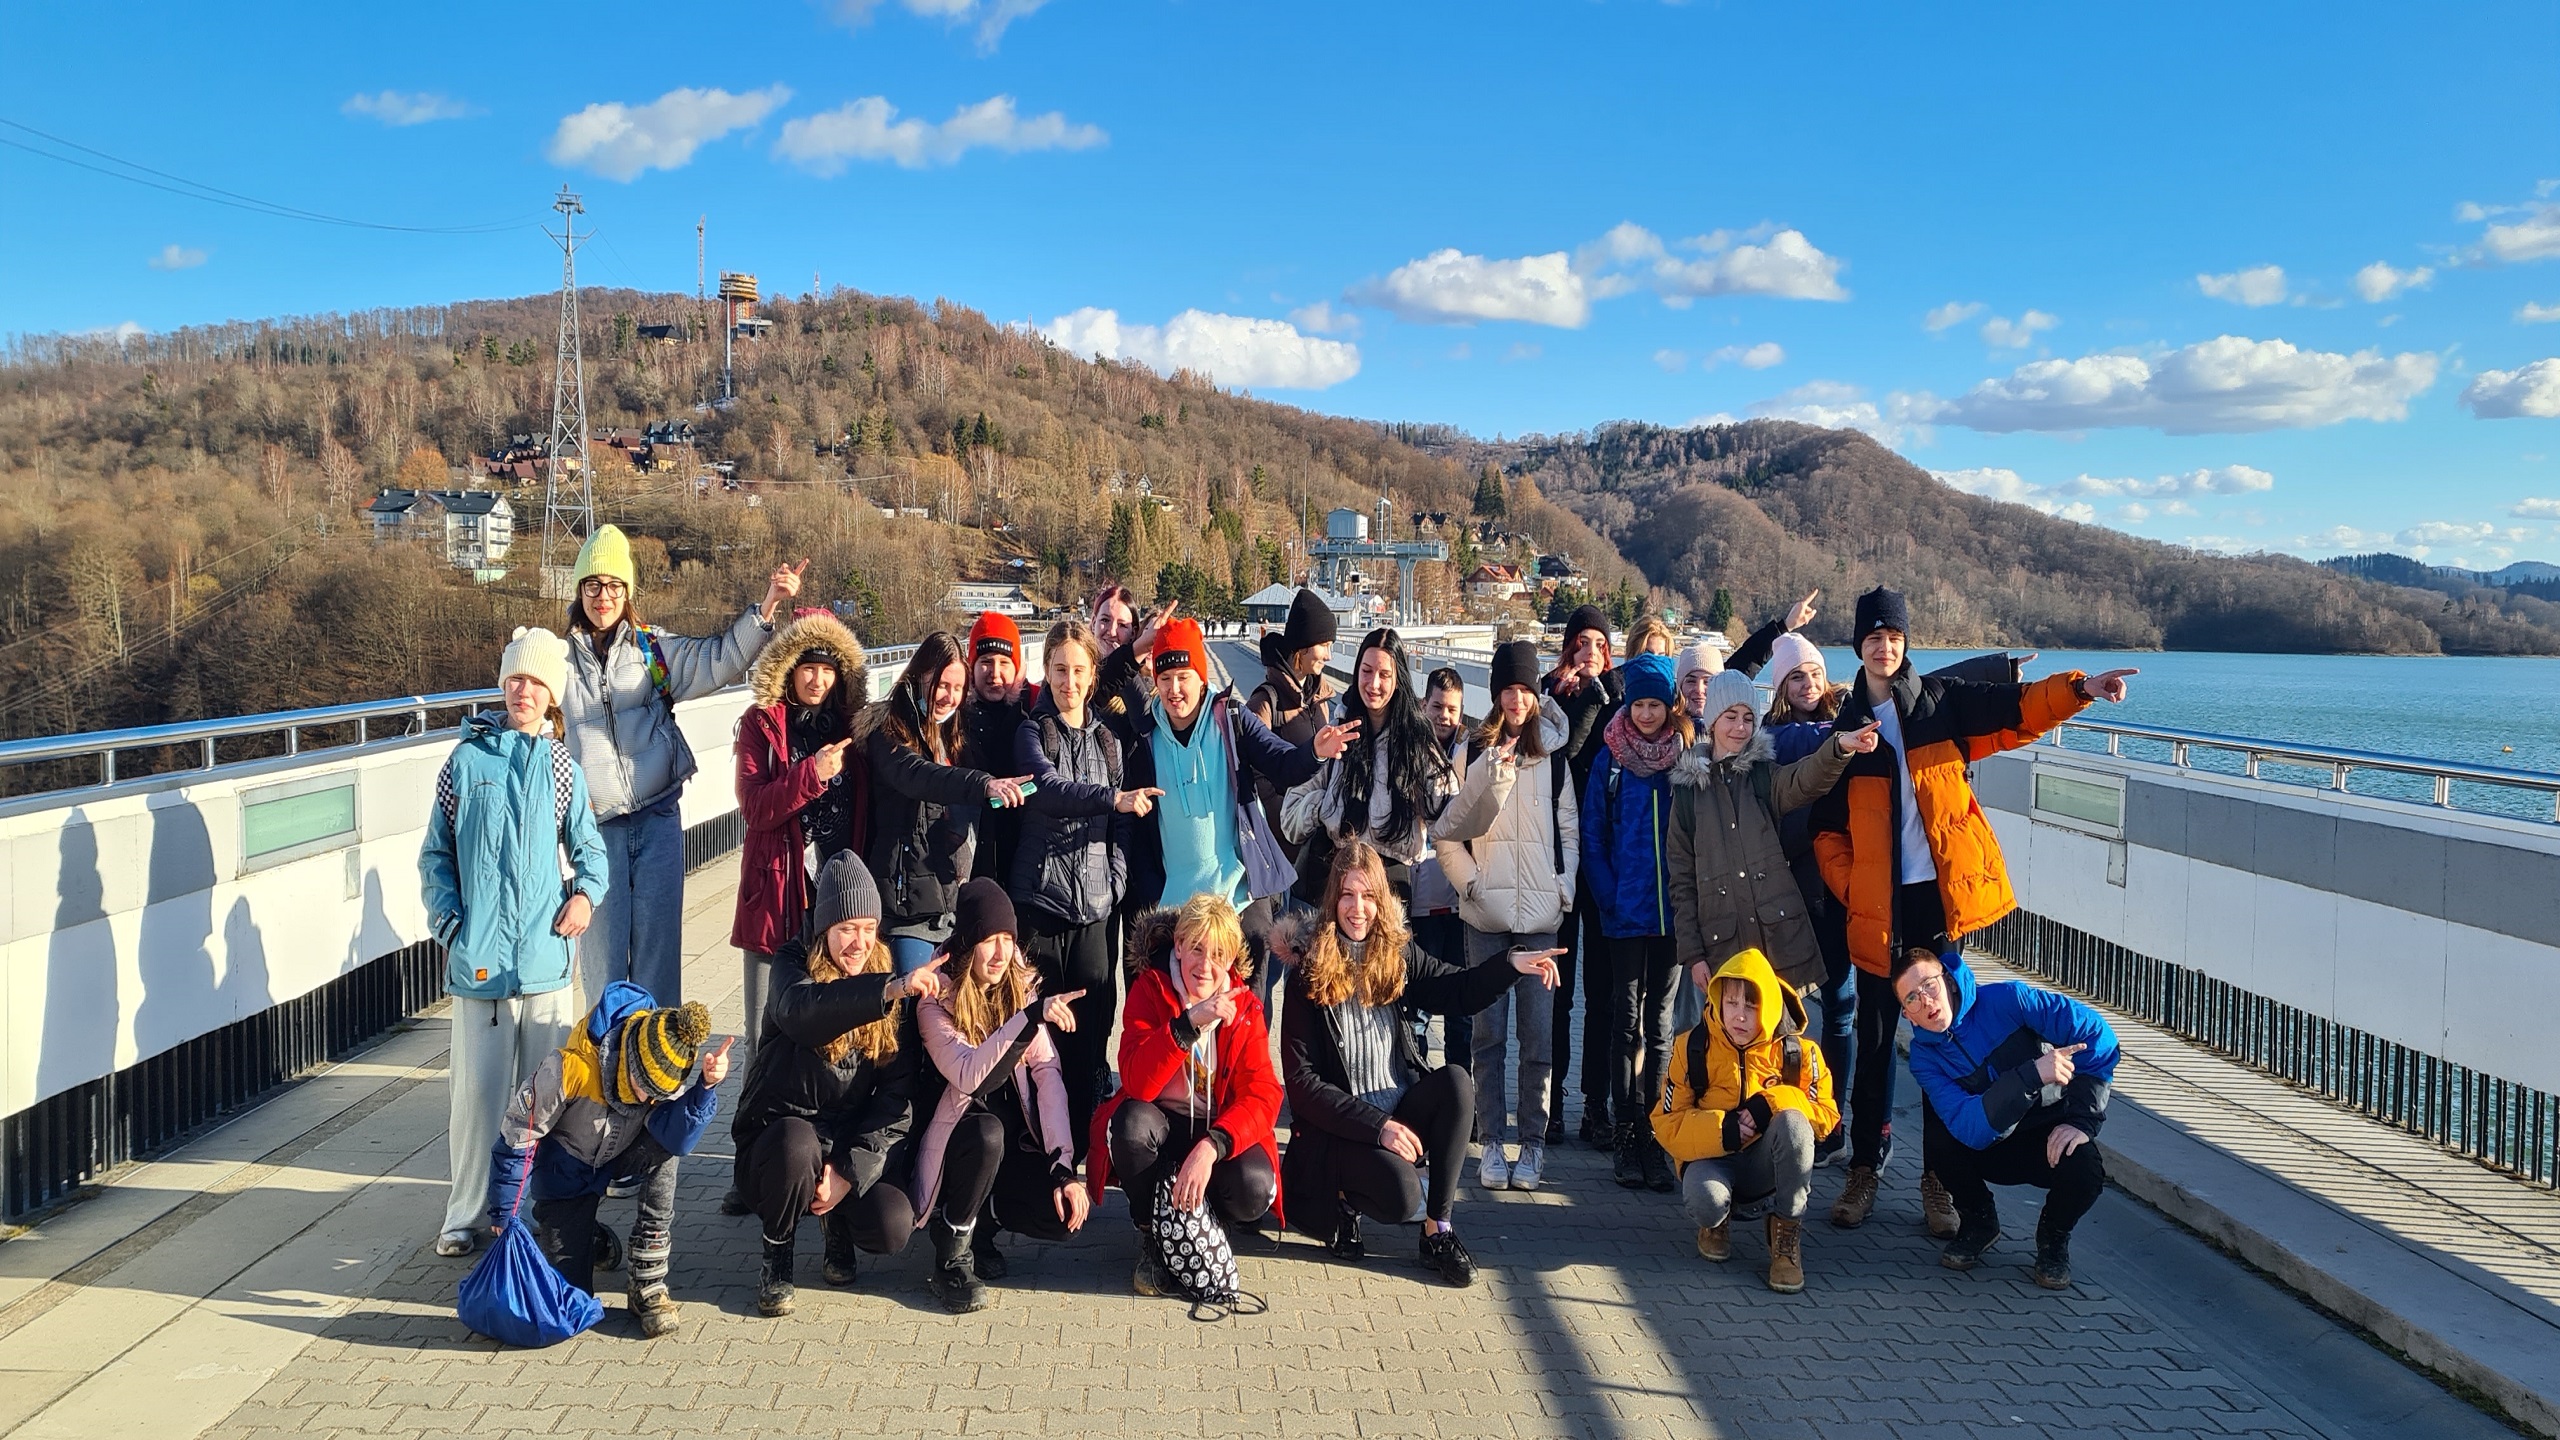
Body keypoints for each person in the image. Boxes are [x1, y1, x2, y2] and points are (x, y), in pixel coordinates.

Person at [1811, 585, 2135, 1234]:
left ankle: (1939, 1179)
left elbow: (2016, 707)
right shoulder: (1847, 729)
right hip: (1878, 910)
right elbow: (1827, 831)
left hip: (1936, 906)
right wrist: (1856, 888)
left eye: (1893, 637)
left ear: (1905, 644)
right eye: (1873, 637)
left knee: (1944, 1038)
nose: (1883, 646)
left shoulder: (1940, 704)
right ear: (1859, 646)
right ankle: (1864, 1171)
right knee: (1874, 1046)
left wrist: (2079, 688)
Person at [1279, 839, 1561, 1287]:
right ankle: (1341, 1201)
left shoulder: (1395, 956)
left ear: (1381, 901)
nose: (1358, 909)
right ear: (1334, 900)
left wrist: (1510, 964)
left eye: (1368, 896)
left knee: (1455, 1082)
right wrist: (1380, 1128)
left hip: (1394, 1108)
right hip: (1339, 1130)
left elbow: (1458, 990)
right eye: (1348, 896)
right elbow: (1303, 1087)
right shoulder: (1307, 975)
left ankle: (1438, 1231)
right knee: (1400, 1195)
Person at [420, 627, 608, 1258]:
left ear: (551, 693)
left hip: (547, 967)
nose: (521, 691)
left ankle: (541, 1213)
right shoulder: (465, 763)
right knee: (476, 1102)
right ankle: (464, 1216)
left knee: (547, 1101)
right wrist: (451, 926)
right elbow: (435, 856)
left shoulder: (562, 769)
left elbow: (590, 853)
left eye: (533, 681)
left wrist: (584, 897)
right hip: (480, 968)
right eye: (513, 679)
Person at [559, 525, 799, 1005]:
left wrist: (768, 605)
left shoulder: (652, 650)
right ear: (579, 591)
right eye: (592, 585)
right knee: (603, 963)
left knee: (658, 956)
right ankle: (609, 1071)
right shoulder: (557, 661)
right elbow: (521, 703)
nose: (602, 596)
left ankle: (656, 1071)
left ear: (627, 592)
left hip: (657, 820)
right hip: (594, 830)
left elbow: (722, 658)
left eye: (613, 586)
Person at [731, 853, 939, 1316]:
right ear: (824, 928)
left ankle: (837, 1225)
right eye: (847, 928)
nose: (859, 942)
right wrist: (886, 991)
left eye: (868, 928)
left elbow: (896, 1100)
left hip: (842, 1143)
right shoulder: (792, 965)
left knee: (892, 1225)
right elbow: (802, 1013)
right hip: (776, 1146)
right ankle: (777, 1253)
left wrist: (848, 1171)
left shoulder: (888, 981)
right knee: (796, 1143)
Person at [487, 983, 731, 1336]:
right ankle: (585, 1236)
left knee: (669, 1149)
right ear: (628, 1055)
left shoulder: (663, 1080)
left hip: (621, 1156)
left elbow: (678, 1135)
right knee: (568, 1301)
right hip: (567, 1175)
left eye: (656, 1093)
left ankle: (647, 1280)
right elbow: (518, 1136)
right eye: (641, 1084)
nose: (646, 1096)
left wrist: (705, 1087)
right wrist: (504, 1208)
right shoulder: (568, 1069)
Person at [1009, 619, 1162, 1150]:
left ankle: (1081, 1147)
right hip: (1041, 903)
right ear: (1045, 673)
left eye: (1078, 671)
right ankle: (1044, 1146)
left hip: (1096, 907)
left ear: (1093, 675)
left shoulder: (1110, 739)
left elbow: (1124, 827)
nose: (1068, 682)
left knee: (1091, 1034)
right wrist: (1110, 799)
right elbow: (1047, 790)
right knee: (1040, 1035)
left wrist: (1115, 881)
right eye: (1059, 671)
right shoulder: (1033, 733)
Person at [1429, 641, 1575, 1191]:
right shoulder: (1473, 753)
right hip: (1485, 917)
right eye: (1507, 689)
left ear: (1535, 694)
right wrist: (1471, 886)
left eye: (1524, 689)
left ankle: (1531, 1146)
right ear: (1495, 695)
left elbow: (1569, 833)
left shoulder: (1554, 757)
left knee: (1538, 1039)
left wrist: (1564, 891)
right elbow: (1448, 834)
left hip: (1541, 916)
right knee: (1487, 1036)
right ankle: (1491, 1141)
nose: (1516, 699)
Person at [1092, 896, 1285, 1296]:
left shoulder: (1246, 1006)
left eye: (1218, 954)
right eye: (1196, 948)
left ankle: (1204, 1222)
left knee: (1255, 1188)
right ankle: (1152, 1231)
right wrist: (1187, 1024)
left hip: (1214, 1133)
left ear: (1231, 959)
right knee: (1128, 1127)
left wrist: (1213, 1146)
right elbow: (1137, 1081)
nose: (1205, 965)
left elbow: (1263, 1095)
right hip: (1162, 1129)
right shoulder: (1150, 989)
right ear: (1178, 945)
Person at [912, 880, 1090, 1312]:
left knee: (1062, 1216)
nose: (999, 953)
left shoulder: (1020, 987)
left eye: (1007, 941)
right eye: (988, 940)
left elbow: (1047, 1073)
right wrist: (1029, 1019)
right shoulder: (935, 1000)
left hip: (1012, 1148)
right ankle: (950, 1252)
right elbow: (971, 1076)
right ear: (968, 941)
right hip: (962, 1141)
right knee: (988, 1132)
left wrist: (1063, 1167)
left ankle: (982, 1227)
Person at [1894, 948, 2118, 1289]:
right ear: (1908, 1015)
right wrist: (2031, 1076)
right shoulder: (1924, 1059)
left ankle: (2053, 1238)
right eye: (1912, 998)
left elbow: (2099, 1036)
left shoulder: (2010, 1000)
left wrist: (2082, 1119)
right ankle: (1979, 1220)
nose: (1925, 1001)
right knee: (1940, 1141)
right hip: (1991, 1144)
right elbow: (1970, 1128)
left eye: (1929, 985)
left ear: (1948, 981)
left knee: (2086, 1168)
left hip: (2048, 1132)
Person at [1120, 618, 1354, 915]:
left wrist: (1314, 752)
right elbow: (1113, 673)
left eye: (1183, 677)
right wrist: (1153, 891)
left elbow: (1281, 762)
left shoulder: (1230, 719)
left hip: (1238, 898)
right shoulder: (1147, 733)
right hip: (1177, 907)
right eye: (1164, 678)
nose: (1174, 689)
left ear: (1201, 679)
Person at [1668, 669, 1874, 994]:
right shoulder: (1686, 794)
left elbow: (1804, 779)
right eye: (1731, 716)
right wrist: (1693, 955)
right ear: (1712, 720)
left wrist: (1840, 747)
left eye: (1748, 718)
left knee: (1786, 1038)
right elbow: (1682, 881)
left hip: (1779, 947)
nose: (1740, 727)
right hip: (1723, 947)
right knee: (1730, 1035)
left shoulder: (1764, 776)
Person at [729, 610, 869, 1069]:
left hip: (836, 896)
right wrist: (812, 773)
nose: (818, 679)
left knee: (833, 1025)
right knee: (765, 1029)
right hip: (774, 891)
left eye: (829, 669)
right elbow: (754, 807)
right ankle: (753, 1134)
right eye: (808, 667)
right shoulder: (762, 724)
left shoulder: (855, 728)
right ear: (789, 668)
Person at [1653, 950, 1839, 1294]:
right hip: (1715, 1159)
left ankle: (1786, 1231)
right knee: (1703, 1199)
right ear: (1718, 1001)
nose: (1739, 1016)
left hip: (1767, 1163)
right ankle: (1716, 1224)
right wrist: (1723, 1129)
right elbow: (1666, 1123)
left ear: (1767, 1007)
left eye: (1750, 1006)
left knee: (1796, 1126)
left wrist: (1768, 1105)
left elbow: (1826, 1116)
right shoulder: (1691, 1046)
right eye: (1732, 1003)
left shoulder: (1799, 1052)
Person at [860, 632, 1031, 975]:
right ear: (918, 676)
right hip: (906, 909)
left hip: (952, 905)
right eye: (940, 684)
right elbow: (921, 777)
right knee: (915, 1006)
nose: (949, 698)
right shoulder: (888, 731)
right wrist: (984, 785)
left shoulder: (954, 736)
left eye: (958, 689)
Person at [1582, 651, 1689, 1192]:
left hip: (1671, 914)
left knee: (1662, 1025)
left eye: (1655, 704)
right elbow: (1593, 835)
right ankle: (1626, 1128)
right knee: (1625, 1021)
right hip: (1624, 911)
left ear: (1670, 706)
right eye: (1638, 703)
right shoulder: (1612, 760)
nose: (1646, 714)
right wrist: (1607, 895)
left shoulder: (1684, 757)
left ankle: (1656, 1128)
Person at [1282, 627, 1459, 912]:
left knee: (1388, 956)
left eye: (1384, 674)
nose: (1373, 683)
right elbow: (1289, 817)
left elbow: (1448, 812)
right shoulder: (1337, 730)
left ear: (1398, 678)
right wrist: (1325, 805)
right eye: (1366, 671)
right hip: (1336, 882)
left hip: (1391, 887)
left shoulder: (1417, 742)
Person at [1544, 603, 1622, 1148]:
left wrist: (1602, 695)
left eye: (1598, 642)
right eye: (1580, 641)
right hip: (1561, 857)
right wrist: (1584, 697)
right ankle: (1550, 1105)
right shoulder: (1554, 697)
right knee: (1558, 990)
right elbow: (1565, 758)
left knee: (1602, 993)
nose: (1589, 651)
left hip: (1609, 864)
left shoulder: (1622, 699)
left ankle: (1596, 1104)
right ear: (1569, 647)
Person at [1407, 667, 1474, 1073]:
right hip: (1418, 901)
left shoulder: (1471, 756)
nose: (1443, 716)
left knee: (1461, 1009)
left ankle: (1461, 1093)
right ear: (1422, 706)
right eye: (1436, 706)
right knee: (1417, 1005)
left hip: (1461, 903)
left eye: (1451, 709)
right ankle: (1417, 1086)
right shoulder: (1406, 751)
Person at [962, 611, 1037, 887]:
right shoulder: (955, 715)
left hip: (1023, 858)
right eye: (985, 662)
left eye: (1004, 663)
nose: (995, 674)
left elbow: (1084, 690)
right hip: (971, 857)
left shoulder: (1033, 706)